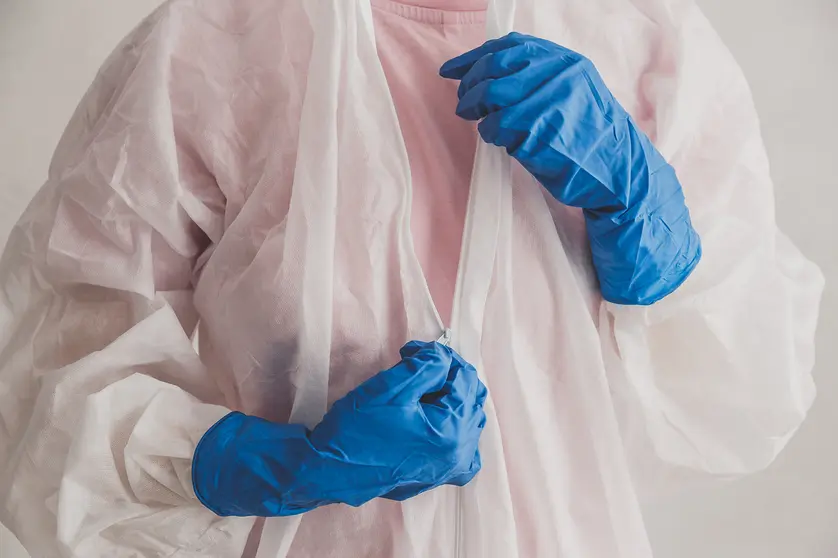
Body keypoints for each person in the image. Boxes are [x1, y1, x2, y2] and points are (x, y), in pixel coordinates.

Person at [0, 0, 823, 557]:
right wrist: (277, 464)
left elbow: (752, 387)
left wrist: (648, 217)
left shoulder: (645, 41)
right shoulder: (219, 43)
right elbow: (42, 389)